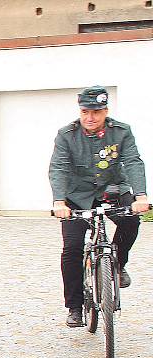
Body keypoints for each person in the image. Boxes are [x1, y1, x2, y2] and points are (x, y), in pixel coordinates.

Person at [49, 86, 148, 327]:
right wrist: (59, 201)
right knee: (72, 247)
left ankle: (118, 263)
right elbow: (59, 167)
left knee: (131, 221)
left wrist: (141, 196)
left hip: (112, 189)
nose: (89, 118)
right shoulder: (67, 134)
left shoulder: (121, 132)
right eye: (85, 111)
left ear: (105, 111)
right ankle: (74, 306)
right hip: (77, 195)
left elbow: (133, 162)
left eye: (95, 112)